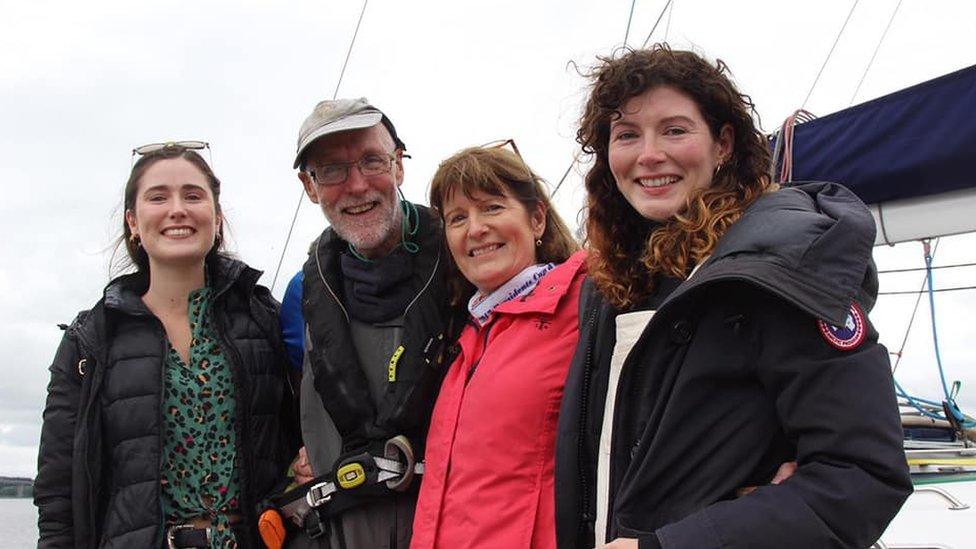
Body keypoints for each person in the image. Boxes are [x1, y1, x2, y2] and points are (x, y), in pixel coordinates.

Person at [554, 46, 912, 549]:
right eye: (627, 135)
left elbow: (862, 474)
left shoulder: (781, 268)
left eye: (675, 130)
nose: (649, 154)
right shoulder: (609, 282)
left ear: (723, 143)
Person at [35, 141, 299, 548]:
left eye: (193, 195)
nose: (177, 209)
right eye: (158, 197)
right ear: (133, 223)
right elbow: (57, 492)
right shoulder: (89, 341)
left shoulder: (264, 319)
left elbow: (307, 429)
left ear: (217, 217)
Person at [285, 98, 460, 548]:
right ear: (310, 187)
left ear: (400, 166)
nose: (357, 185)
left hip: (459, 527)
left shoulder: (469, 265)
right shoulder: (299, 297)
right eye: (332, 170)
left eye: (371, 161)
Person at [411, 143, 584, 548]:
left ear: (537, 219)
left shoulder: (587, 304)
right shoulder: (467, 335)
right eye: (457, 218)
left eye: (491, 207)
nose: (475, 229)